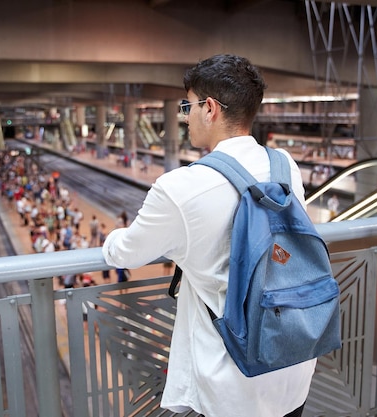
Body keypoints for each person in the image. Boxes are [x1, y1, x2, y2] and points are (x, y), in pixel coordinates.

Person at [102, 54, 315, 417]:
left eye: (188, 106)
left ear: (210, 109)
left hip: (232, 382)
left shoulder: (180, 187)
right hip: (293, 365)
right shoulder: (285, 166)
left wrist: (110, 239)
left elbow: (126, 254)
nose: (184, 116)